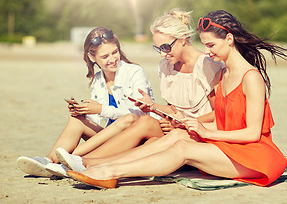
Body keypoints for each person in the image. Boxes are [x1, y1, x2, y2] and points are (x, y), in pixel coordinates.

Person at [66, 10, 287, 188]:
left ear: (230, 39)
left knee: (183, 149)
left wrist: (206, 132)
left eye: (211, 45)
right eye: (205, 45)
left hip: (255, 156)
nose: (207, 51)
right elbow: (224, 119)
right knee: (177, 135)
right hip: (230, 146)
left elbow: (252, 133)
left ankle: (109, 173)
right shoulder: (225, 74)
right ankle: (96, 164)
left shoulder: (251, 77)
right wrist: (180, 119)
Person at [53, 9, 224, 173]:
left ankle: (81, 161)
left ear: (182, 39)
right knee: (144, 123)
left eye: (165, 47)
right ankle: (70, 161)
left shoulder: (207, 65)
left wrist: (182, 123)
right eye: (158, 49)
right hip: (175, 127)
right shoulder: (167, 66)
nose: (163, 54)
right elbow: (173, 110)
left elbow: (220, 114)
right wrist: (153, 107)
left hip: (197, 130)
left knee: (143, 125)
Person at [17, 27, 155, 177]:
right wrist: (83, 112)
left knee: (129, 118)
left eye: (115, 52)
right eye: (105, 56)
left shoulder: (134, 72)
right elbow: (97, 120)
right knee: (77, 120)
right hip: (112, 136)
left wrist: (100, 109)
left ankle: (71, 159)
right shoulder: (97, 80)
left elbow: (140, 114)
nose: (112, 59)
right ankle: (48, 160)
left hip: (136, 135)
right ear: (92, 57)